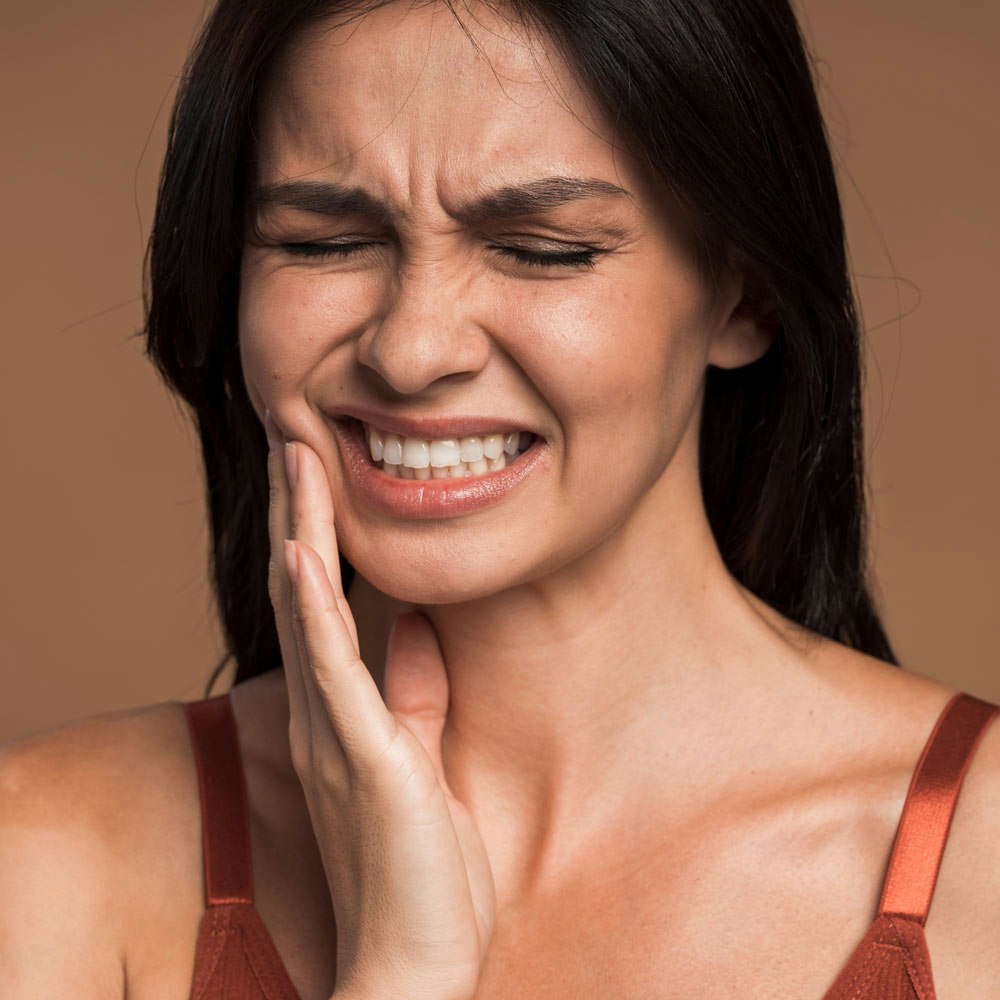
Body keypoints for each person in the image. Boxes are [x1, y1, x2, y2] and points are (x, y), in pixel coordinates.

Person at [2, 0, 998, 997]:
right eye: (321, 242)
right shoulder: (45, 853)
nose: (412, 348)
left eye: (541, 247)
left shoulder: (979, 861)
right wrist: (399, 969)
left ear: (746, 294)